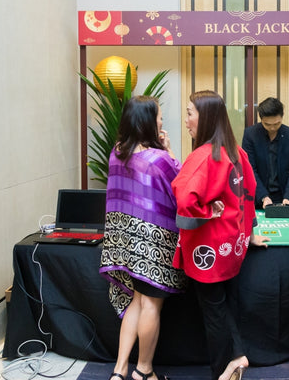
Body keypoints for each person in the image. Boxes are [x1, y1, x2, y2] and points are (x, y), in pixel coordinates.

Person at [171, 90, 269, 380]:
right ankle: (236, 358)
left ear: (207, 117)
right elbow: (249, 192)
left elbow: (184, 198)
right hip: (233, 245)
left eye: (190, 113)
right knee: (225, 304)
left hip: (209, 249)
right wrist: (248, 233)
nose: (186, 119)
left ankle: (225, 368)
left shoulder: (203, 156)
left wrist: (205, 212)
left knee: (213, 311)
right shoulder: (237, 152)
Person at [99, 95, 188, 380]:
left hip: (124, 241)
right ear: (148, 122)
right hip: (153, 243)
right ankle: (144, 371)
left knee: (135, 301)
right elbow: (181, 188)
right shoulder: (158, 159)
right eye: (159, 116)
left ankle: (119, 370)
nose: (162, 121)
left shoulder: (116, 152)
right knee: (150, 304)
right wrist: (170, 152)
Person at [241, 97, 289, 209]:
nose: (272, 128)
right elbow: (249, 169)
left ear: (282, 116)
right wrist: (263, 196)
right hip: (258, 196)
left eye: (277, 123)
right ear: (261, 119)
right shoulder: (250, 135)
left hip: (284, 196)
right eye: (267, 124)